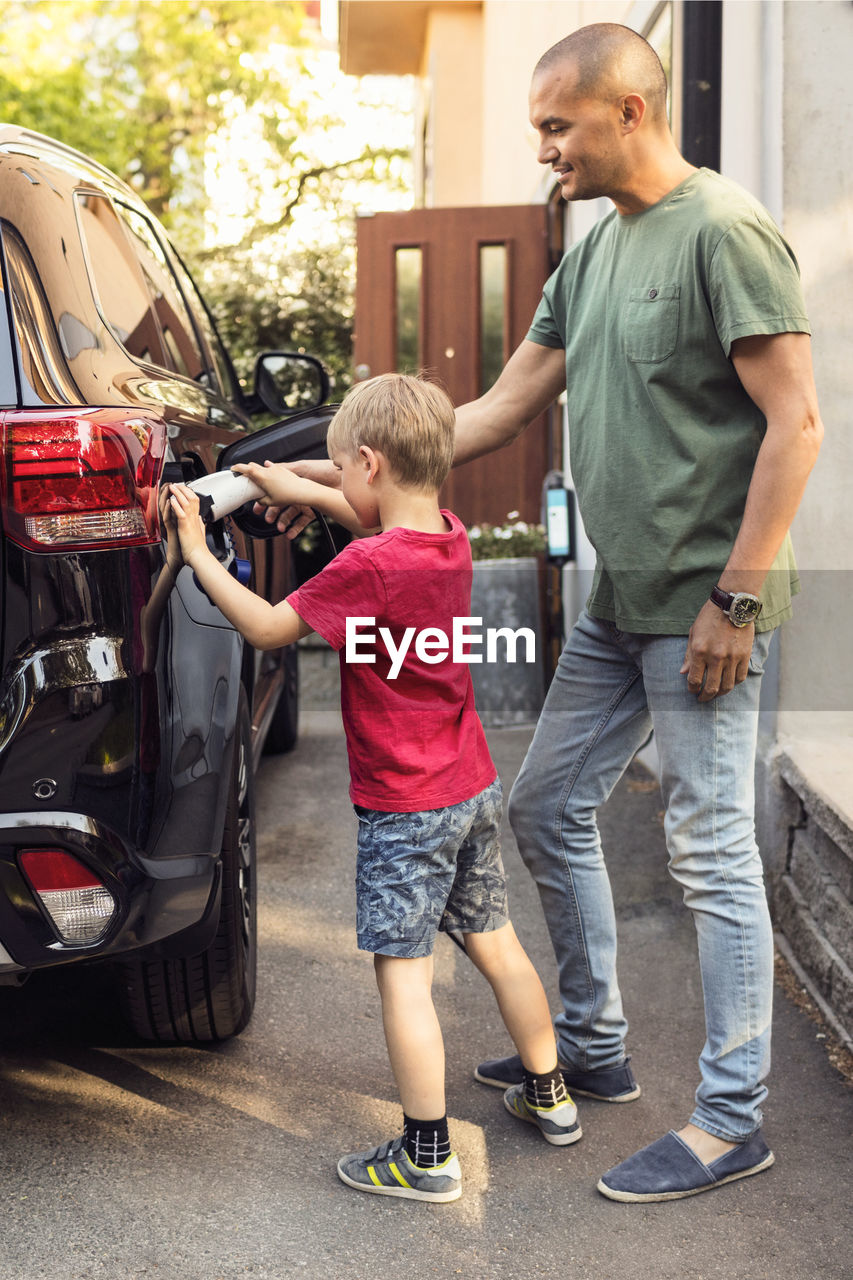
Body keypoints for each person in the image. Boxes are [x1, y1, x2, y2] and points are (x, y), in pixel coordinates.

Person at [450, 23, 824, 1202]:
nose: (545, 150)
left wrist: (735, 595)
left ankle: (729, 1120)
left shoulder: (723, 232)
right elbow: (498, 408)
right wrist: (336, 464)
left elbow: (795, 424)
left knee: (709, 851)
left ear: (628, 109)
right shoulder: (593, 249)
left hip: (704, 607)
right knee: (547, 800)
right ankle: (596, 1044)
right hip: (619, 601)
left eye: (556, 127)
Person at [167, 373, 581, 1205]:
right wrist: (294, 485)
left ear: (367, 462)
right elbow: (371, 514)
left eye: (335, 469)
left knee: (403, 973)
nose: (333, 483)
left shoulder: (365, 565)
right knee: (496, 941)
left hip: (405, 805)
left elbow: (269, 626)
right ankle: (551, 1094)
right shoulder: (449, 537)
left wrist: (197, 555)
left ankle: (426, 1155)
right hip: (469, 786)